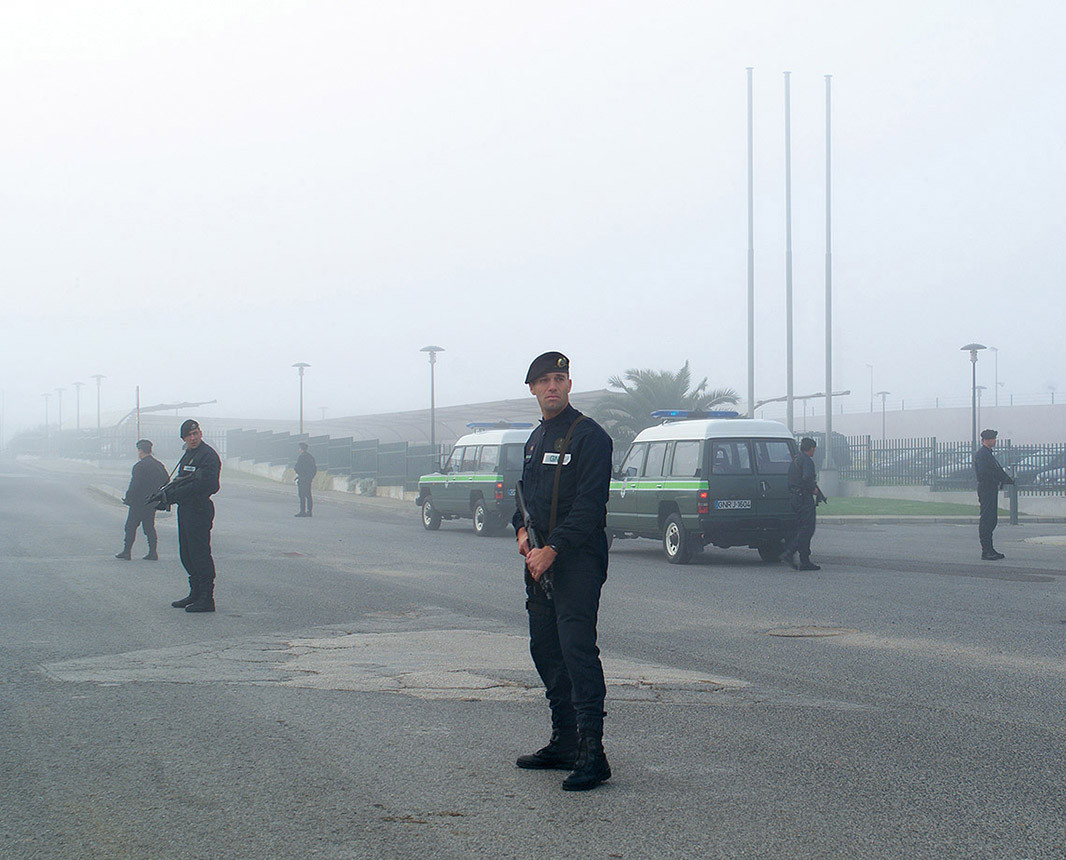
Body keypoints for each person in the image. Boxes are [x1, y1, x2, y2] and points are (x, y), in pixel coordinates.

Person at [512, 351, 614, 791]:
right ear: (532, 389)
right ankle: (566, 740)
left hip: (576, 561)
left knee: (577, 651)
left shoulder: (590, 437)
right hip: (539, 562)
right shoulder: (535, 440)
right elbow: (526, 499)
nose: (553, 386)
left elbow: (590, 506)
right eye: (544, 380)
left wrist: (553, 548)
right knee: (546, 651)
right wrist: (522, 533)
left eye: (560, 378)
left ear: (570, 385)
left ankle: (594, 753)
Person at [163, 420, 222, 613]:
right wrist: (167, 494)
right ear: (184, 438)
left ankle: (206, 598)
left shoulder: (208, 456)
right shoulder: (189, 455)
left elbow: (210, 485)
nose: (193, 438)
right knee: (186, 553)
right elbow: (181, 480)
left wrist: (177, 494)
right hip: (185, 509)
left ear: (201, 433)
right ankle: (195, 593)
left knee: (199, 553)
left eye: (195, 433)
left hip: (199, 509)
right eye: (189, 435)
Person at [115, 439, 170, 561]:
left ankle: (127, 551)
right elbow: (167, 480)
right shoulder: (159, 465)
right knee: (149, 527)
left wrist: (128, 498)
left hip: (139, 502)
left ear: (140, 451)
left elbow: (134, 484)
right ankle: (153, 552)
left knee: (130, 526)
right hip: (152, 501)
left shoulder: (139, 466)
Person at [781, 437, 823, 571]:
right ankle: (790, 552)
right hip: (804, 498)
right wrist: (813, 489)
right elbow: (807, 478)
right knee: (807, 529)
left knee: (801, 528)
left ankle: (805, 560)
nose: (814, 451)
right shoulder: (807, 461)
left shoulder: (795, 460)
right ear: (811, 448)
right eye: (814, 449)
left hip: (794, 497)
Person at [974, 428, 1014, 560]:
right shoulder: (982, 454)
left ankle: (990, 549)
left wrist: (1007, 480)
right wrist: (1000, 478)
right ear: (986, 440)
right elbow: (985, 473)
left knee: (992, 519)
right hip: (986, 489)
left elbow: (997, 471)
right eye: (992, 438)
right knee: (987, 519)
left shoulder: (988, 454)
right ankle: (986, 550)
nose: (994, 441)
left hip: (991, 488)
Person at [294, 442, 317, 517]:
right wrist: (310, 477)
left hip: (302, 478)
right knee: (308, 495)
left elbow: (297, 467)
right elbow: (314, 468)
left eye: (299, 448)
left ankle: (302, 511)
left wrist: (299, 475)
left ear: (301, 449)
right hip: (308, 479)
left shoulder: (301, 457)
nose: (298, 449)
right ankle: (309, 511)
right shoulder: (310, 457)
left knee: (302, 495)